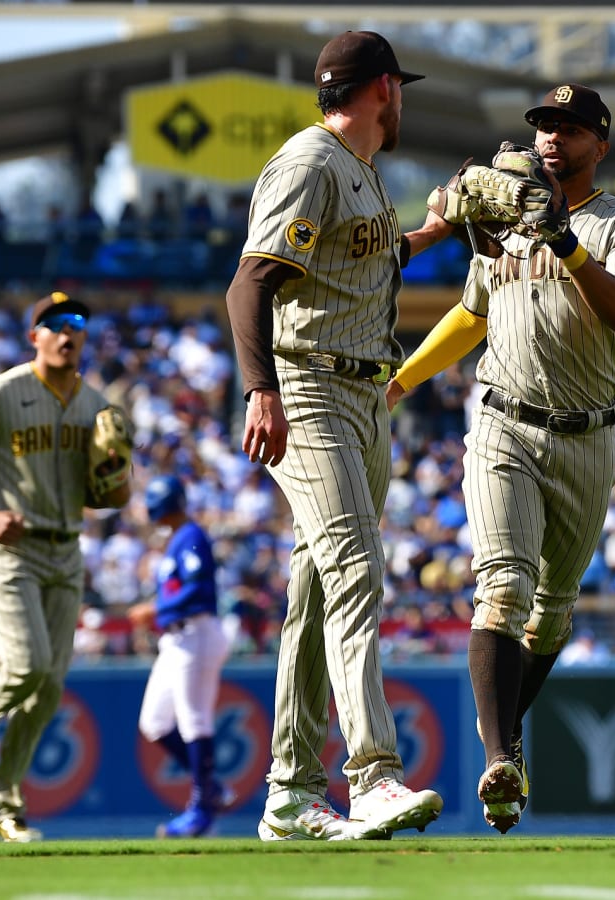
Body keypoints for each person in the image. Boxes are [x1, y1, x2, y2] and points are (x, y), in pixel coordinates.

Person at [386, 83, 615, 833]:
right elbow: (474, 313)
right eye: (543, 125)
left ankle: (501, 743)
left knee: (552, 617)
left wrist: (566, 244)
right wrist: (404, 380)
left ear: (598, 145)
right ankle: (501, 756)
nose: (551, 138)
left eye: (570, 129)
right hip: (505, 421)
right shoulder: (505, 221)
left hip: (588, 436)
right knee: (502, 589)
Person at [224, 30, 452, 842]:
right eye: (401, 87)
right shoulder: (311, 163)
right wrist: (261, 391)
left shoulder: (359, 173)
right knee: (356, 566)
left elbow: (371, 258)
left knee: (318, 588)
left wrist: (435, 229)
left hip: (363, 395)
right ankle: (374, 777)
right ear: (382, 88)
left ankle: (289, 790)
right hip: (310, 383)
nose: (404, 101)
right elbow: (250, 282)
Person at [0, 291, 132, 842]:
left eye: (77, 324)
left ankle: (1, 806)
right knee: (27, 665)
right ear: (34, 336)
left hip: (66, 548)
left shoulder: (95, 404)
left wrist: (115, 472)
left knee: (48, 689)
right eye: (55, 324)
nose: (68, 333)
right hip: (6, 547)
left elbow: (110, 496)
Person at [129, 475, 232, 838]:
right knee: (155, 722)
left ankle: (202, 808)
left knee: (194, 719)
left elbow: (198, 589)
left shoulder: (191, 536)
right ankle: (211, 787)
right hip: (175, 640)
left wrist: (155, 609)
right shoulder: (177, 539)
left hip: (196, 633)